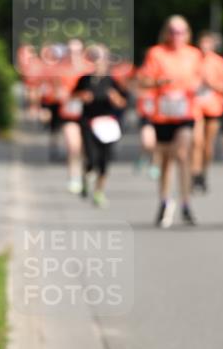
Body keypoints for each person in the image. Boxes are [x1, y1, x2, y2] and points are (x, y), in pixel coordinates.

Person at [138, 15, 203, 227]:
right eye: (173, 31)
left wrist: (195, 88)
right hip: (163, 113)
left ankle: (185, 202)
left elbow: (202, 80)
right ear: (166, 32)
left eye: (181, 31)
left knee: (182, 153)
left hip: (185, 112)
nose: (177, 36)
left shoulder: (194, 55)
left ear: (188, 34)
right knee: (165, 160)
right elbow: (144, 81)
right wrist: (159, 82)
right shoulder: (156, 53)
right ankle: (165, 201)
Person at [71, 45, 128, 207]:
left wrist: (115, 98)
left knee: (104, 160)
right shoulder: (85, 79)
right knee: (91, 157)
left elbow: (123, 103)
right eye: (94, 59)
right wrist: (82, 96)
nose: (98, 63)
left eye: (101, 59)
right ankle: (86, 175)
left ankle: (99, 192)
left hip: (107, 123)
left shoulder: (113, 81)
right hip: (88, 122)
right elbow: (72, 96)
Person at [191, 31, 223, 192]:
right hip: (195, 106)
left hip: (213, 107)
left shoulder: (219, 63)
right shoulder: (192, 60)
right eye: (202, 43)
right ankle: (195, 174)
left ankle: (204, 172)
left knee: (208, 145)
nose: (205, 46)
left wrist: (211, 84)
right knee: (197, 142)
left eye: (208, 43)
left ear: (213, 46)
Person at [59, 38, 93, 194]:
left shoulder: (89, 70)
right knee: (73, 146)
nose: (73, 55)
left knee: (86, 149)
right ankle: (73, 177)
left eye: (77, 51)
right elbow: (59, 93)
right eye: (70, 51)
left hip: (88, 116)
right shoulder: (61, 70)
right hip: (69, 115)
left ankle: (86, 176)